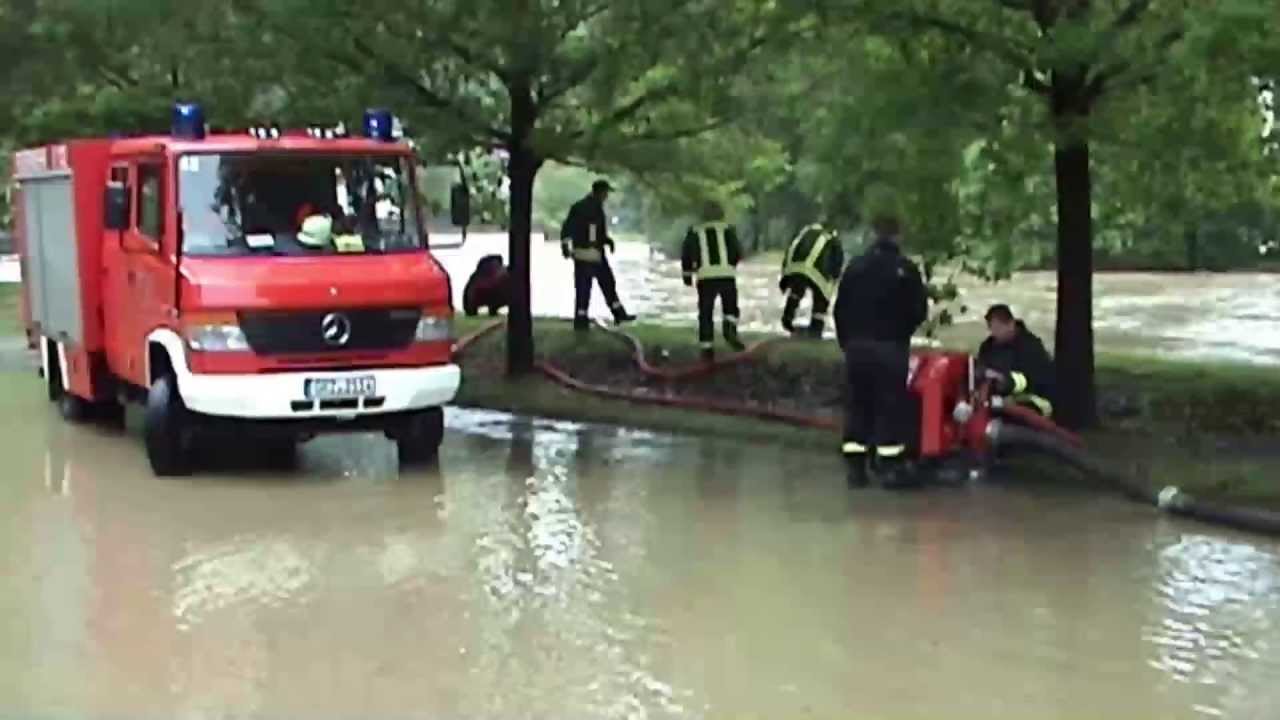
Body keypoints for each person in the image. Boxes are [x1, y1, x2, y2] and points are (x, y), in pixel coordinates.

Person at [834, 205, 928, 488]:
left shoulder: (855, 267)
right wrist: (900, 334)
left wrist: (848, 342)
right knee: (890, 406)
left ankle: (855, 469)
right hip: (890, 347)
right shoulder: (906, 269)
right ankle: (889, 467)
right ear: (898, 236)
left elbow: (840, 309)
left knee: (857, 405)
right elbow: (918, 311)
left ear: (873, 234)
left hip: (857, 349)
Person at [560, 180, 636, 331]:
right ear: (600, 192)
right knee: (603, 283)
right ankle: (615, 314)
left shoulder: (581, 207)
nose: (607, 196)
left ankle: (583, 318)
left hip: (584, 253)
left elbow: (568, 229)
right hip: (591, 253)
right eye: (606, 193)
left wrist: (566, 247)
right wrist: (602, 241)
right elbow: (593, 232)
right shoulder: (592, 208)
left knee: (587, 286)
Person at [681, 201, 746, 361]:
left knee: (705, 312)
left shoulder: (694, 231)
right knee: (730, 306)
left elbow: (686, 255)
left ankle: (707, 348)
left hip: (705, 277)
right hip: (726, 275)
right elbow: (737, 252)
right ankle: (729, 329)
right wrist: (731, 265)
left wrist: (687, 276)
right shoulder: (728, 230)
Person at [976, 304, 1056, 417]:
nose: (994, 333)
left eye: (998, 329)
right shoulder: (988, 346)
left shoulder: (1030, 346)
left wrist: (1006, 381)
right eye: (991, 328)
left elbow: (1036, 381)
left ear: (1011, 324)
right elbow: (981, 369)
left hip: (1031, 401)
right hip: (997, 400)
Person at [780, 221, 844, 338]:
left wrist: (784, 279)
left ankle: (787, 318)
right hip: (816, 272)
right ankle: (816, 327)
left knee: (796, 290)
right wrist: (834, 278)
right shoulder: (832, 239)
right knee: (821, 299)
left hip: (792, 268)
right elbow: (837, 263)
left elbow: (789, 251)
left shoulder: (804, 233)